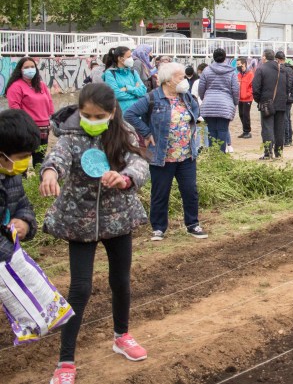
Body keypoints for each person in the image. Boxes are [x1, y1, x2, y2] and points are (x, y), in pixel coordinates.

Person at [40, 83, 150, 384]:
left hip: (118, 218)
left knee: (121, 280)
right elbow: (57, 158)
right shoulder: (70, 134)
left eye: (99, 116)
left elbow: (139, 162)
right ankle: (65, 362)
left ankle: (121, 335)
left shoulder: (123, 131)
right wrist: (49, 172)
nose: (93, 120)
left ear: (111, 112)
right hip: (80, 221)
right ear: (79, 111)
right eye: (87, 115)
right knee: (80, 288)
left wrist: (126, 177)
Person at [124, 62, 207, 241]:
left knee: (190, 191)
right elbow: (129, 114)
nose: (184, 80)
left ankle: (193, 224)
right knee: (160, 192)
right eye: (181, 77)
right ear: (169, 81)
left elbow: (195, 111)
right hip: (162, 156)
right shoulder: (153, 98)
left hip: (186, 154)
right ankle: (159, 228)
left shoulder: (186, 97)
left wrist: (191, 131)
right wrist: (146, 132)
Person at [0, 109, 41, 263]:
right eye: (22, 157)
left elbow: (23, 206)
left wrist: (25, 224)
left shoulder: (12, 175)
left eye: (29, 156)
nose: (26, 162)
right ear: (2, 154)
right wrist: (15, 258)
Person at [4, 57, 54, 168]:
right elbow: (15, 107)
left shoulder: (41, 85)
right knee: (22, 161)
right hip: (27, 129)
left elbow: (49, 102)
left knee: (39, 160)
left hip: (44, 129)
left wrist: (51, 119)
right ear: (20, 70)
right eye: (26, 67)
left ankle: (37, 182)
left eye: (32, 67)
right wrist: (25, 124)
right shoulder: (15, 86)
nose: (30, 69)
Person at [198, 48, 239, 153]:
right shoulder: (231, 72)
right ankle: (221, 155)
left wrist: (205, 99)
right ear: (225, 57)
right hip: (225, 105)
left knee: (211, 132)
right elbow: (235, 90)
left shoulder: (206, 71)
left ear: (213, 57)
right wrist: (235, 102)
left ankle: (213, 155)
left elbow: (201, 89)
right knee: (223, 131)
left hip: (209, 105)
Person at [252, 49, 290, 159]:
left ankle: (268, 153)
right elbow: (287, 86)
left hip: (266, 103)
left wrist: (259, 100)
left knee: (267, 128)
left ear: (264, 57)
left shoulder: (261, 69)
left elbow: (256, 88)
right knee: (279, 129)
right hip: (281, 103)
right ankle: (278, 153)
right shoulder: (282, 69)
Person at [102, 46, 147, 114]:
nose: (131, 59)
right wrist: (136, 92)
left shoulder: (133, 72)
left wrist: (127, 88)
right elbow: (116, 94)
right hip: (121, 114)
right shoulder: (110, 73)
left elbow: (143, 91)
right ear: (120, 59)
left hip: (137, 113)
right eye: (128, 57)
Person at [276, 51, 293, 147]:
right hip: (289, 97)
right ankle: (288, 138)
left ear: (278, 59)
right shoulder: (289, 69)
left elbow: (287, 84)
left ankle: (287, 139)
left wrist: (284, 95)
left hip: (286, 97)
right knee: (287, 118)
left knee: (285, 118)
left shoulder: (286, 70)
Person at [236, 57, 255, 139]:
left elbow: (253, 87)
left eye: (238, 64)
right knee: (241, 114)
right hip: (240, 98)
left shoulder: (250, 74)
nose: (237, 66)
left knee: (246, 115)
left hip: (247, 98)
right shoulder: (239, 74)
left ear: (243, 64)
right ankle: (245, 131)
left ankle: (247, 131)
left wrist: (247, 94)